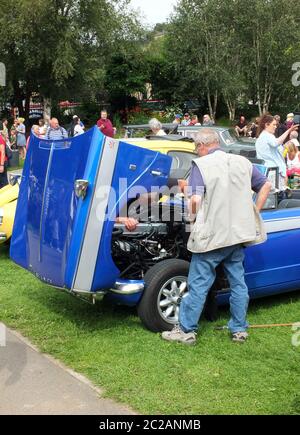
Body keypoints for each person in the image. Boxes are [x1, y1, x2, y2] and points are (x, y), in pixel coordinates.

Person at [162, 129, 272, 345]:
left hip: (212, 235)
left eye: (196, 148)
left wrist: (192, 221)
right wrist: (254, 212)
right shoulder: (242, 162)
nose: (196, 151)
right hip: (238, 234)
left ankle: (186, 330)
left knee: (198, 284)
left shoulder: (201, 165)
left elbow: (194, 200)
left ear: (201, 146)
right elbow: (266, 185)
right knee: (238, 283)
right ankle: (239, 329)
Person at [255, 114, 299, 193]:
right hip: (273, 172)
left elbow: (279, 149)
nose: (276, 126)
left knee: (278, 194)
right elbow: (276, 143)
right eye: (274, 125)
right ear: (266, 125)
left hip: (272, 171)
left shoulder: (264, 136)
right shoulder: (266, 136)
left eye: (276, 125)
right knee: (276, 195)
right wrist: (289, 130)